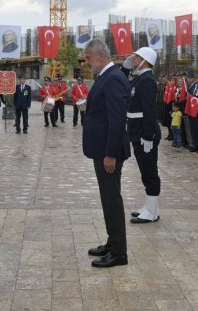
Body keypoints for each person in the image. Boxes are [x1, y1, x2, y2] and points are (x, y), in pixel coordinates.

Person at [83, 39, 131, 268]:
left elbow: (117, 118)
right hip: (101, 149)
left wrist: (110, 154)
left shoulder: (113, 78)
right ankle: (113, 242)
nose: (87, 62)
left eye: (88, 58)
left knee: (112, 199)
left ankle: (119, 253)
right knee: (107, 197)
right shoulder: (105, 76)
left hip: (108, 152)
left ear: (100, 55)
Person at [121, 47, 162, 224]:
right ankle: (151, 207)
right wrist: (125, 68)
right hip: (137, 131)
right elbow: (122, 86)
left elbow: (150, 111)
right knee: (145, 170)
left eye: (136, 57)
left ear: (145, 60)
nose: (133, 58)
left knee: (149, 171)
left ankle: (152, 211)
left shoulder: (147, 81)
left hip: (145, 134)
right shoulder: (140, 78)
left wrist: (148, 136)